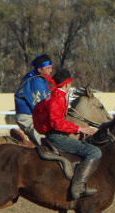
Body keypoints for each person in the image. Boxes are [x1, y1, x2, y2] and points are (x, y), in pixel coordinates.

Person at [32, 67, 100, 200]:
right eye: (70, 83)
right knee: (95, 152)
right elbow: (57, 123)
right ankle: (78, 186)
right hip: (57, 137)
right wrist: (80, 129)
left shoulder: (55, 95)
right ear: (67, 84)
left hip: (55, 135)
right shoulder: (58, 97)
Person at [14, 54, 55, 145]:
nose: (50, 71)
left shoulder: (33, 76)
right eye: (48, 68)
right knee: (48, 143)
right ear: (40, 69)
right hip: (27, 118)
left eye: (51, 68)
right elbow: (40, 107)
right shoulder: (36, 83)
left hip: (30, 115)